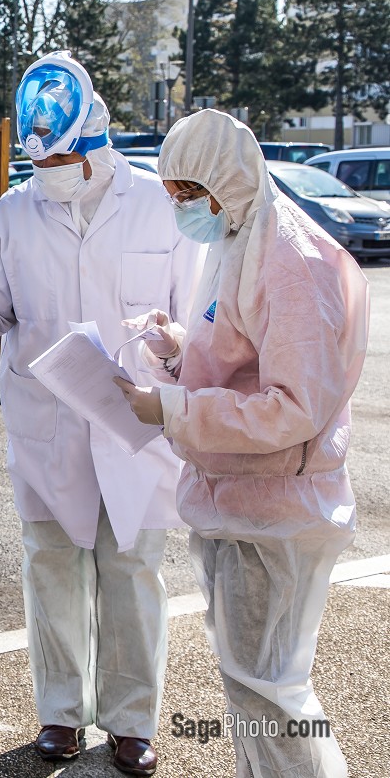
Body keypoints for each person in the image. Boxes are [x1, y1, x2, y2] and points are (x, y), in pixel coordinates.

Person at [0, 52, 200, 775]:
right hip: (47, 423)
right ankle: (59, 712)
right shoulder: (12, 215)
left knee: (133, 572)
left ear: (97, 138)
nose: (49, 170)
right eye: (39, 158)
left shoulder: (157, 208)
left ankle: (132, 721)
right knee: (51, 565)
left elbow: (195, 316)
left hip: (133, 427)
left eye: (63, 156)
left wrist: (179, 347)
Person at [116, 110, 367, 778]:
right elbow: (236, 358)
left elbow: (292, 409)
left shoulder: (290, 261)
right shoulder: (239, 236)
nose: (179, 208)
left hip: (277, 511)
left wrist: (172, 406)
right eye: (171, 193)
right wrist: (176, 354)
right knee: (254, 689)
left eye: (187, 193)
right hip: (244, 504)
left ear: (226, 180)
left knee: (272, 696)